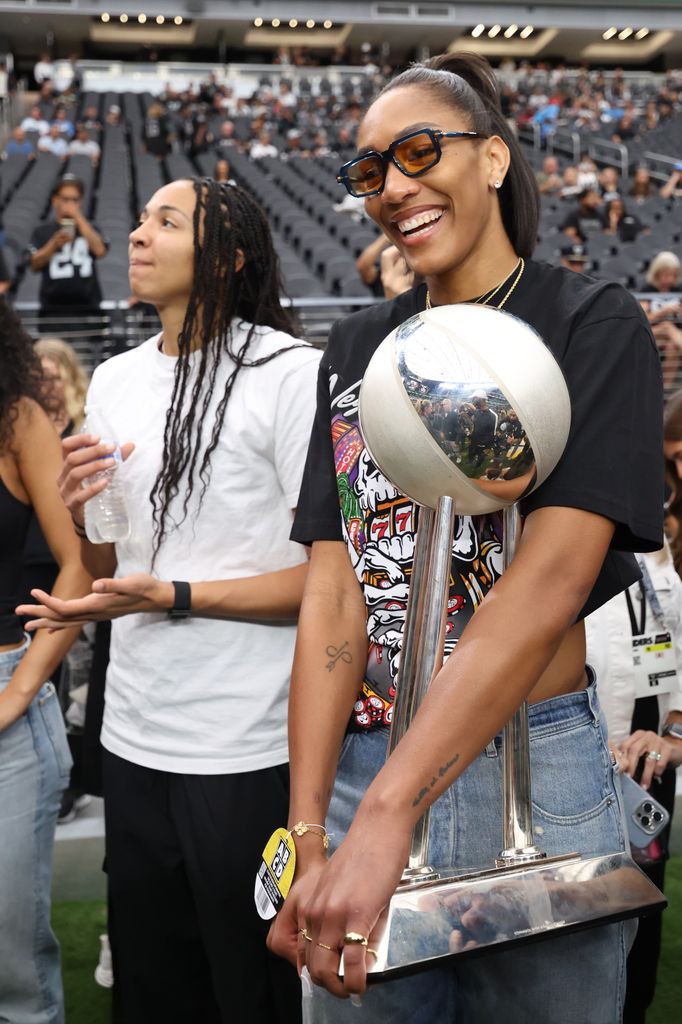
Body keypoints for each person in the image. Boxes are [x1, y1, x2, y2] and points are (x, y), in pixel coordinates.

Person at [267, 50, 663, 1023]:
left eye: (416, 152)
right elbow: (334, 592)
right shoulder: (357, 348)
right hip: (364, 765)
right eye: (369, 171)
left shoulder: (589, 322)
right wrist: (312, 825)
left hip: (536, 768)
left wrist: (389, 814)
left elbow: (548, 581)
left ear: (491, 160)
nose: (392, 188)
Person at [20, 177, 321, 1024]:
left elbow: (327, 584)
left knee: (254, 992)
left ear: (226, 254)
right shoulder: (116, 378)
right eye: (141, 216)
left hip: (250, 746)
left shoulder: (291, 374)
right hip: (135, 737)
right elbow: (110, 560)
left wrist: (179, 594)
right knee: (156, 992)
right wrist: (84, 515)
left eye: (166, 221)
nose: (140, 235)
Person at [0, 300, 90, 1024]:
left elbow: (77, 567)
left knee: (13, 971)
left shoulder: (18, 417)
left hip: (7, 709)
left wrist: (21, 685)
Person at [585, 546, 682, 1024]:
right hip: (571, 767)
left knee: (642, 918)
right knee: (578, 920)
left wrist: (674, 736)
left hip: (648, 774)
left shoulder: (654, 547)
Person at [28, 174, 107, 320]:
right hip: (52, 312)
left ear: (80, 202)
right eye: (65, 199)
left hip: (89, 310)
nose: (70, 204)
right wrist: (53, 245)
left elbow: (100, 251)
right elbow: (33, 265)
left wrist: (78, 219)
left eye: (75, 200)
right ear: (55, 200)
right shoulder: (42, 231)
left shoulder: (91, 227)